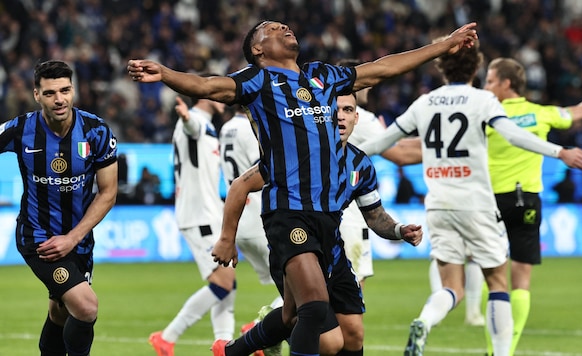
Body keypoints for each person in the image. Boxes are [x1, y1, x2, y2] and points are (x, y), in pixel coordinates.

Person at [128, 20, 477, 356]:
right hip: (288, 212)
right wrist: (166, 74)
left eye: (284, 25)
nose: (283, 27)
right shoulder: (258, 80)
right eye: (272, 28)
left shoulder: (323, 76)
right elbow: (207, 87)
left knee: (292, 316)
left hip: (327, 221)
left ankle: (235, 351)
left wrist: (443, 46)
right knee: (314, 308)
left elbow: (383, 68)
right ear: (258, 48)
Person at [358, 39, 582, 356]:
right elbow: (513, 135)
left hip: (439, 205)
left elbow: (383, 143)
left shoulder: (425, 103)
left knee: (450, 287)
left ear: (441, 67)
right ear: (477, 69)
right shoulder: (483, 100)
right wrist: (560, 151)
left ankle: (424, 322)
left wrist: (334, 152)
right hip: (478, 203)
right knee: (498, 282)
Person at [212, 93, 423, 356]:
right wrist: (226, 239)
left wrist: (399, 230)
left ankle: (236, 350)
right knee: (327, 339)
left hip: (333, 253)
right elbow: (240, 184)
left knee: (352, 334)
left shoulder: (361, 164)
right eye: (336, 110)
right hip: (294, 241)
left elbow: (375, 215)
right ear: (322, 116)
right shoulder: (295, 155)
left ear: (356, 117)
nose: (341, 115)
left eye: (348, 110)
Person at [482, 57, 582, 355]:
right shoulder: (541, 114)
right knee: (521, 280)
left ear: (507, 84)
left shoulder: (485, 115)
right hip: (528, 199)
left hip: (490, 201)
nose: (486, 86)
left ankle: (492, 347)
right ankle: (505, 351)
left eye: (491, 81)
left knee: (493, 277)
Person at [0, 60, 118, 356]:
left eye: (65, 90)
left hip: (77, 240)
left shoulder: (97, 131)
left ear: (73, 90)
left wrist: (74, 238)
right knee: (87, 307)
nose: (60, 99)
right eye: (51, 93)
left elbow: (108, 193)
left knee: (60, 313)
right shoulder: (20, 129)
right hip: (39, 238)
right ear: (37, 94)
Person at [148, 91, 236, 356]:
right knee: (223, 282)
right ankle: (167, 336)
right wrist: (186, 118)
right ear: (204, 95)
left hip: (209, 214)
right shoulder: (195, 122)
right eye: (219, 93)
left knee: (228, 281)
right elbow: (191, 127)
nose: (225, 98)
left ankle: (223, 342)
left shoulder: (208, 125)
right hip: (199, 216)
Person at [336, 58, 423, 289]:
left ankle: (266, 322)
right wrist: (445, 147)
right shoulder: (360, 117)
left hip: (332, 211)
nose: (371, 86)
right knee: (350, 291)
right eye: (368, 79)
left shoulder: (326, 112)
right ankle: (263, 323)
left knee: (319, 289)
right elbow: (401, 154)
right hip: (351, 215)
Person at [218, 106, 284, 355]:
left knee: (292, 291)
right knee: (301, 290)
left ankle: (264, 330)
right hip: (260, 219)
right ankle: (260, 330)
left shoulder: (226, 128)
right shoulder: (250, 129)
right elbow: (267, 168)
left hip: (239, 221)